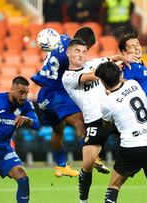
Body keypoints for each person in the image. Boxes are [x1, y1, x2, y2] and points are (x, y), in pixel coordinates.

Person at [31, 27, 110, 177]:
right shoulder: (70, 55)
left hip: (43, 95)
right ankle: (94, 158)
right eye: (85, 48)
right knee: (80, 123)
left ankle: (60, 166)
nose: (82, 53)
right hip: (56, 93)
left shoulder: (62, 38)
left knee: (58, 130)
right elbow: (82, 75)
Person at [96, 61, 147, 203]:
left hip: (131, 146)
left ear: (103, 82)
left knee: (114, 186)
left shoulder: (107, 103)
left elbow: (107, 125)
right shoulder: (133, 84)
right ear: (119, 75)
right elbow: (123, 81)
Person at [62, 38, 117, 203]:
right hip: (95, 121)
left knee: (142, 149)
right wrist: (106, 67)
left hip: (115, 115)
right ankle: (83, 201)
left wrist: (123, 57)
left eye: (84, 51)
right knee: (87, 166)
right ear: (68, 53)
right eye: (77, 51)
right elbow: (94, 75)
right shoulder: (68, 77)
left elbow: (112, 59)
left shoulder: (94, 62)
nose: (81, 55)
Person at [118, 27, 147, 98]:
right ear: (124, 52)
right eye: (132, 46)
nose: (137, 48)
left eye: (138, 44)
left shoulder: (139, 64)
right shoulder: (131, 66)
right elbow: (126, 87)